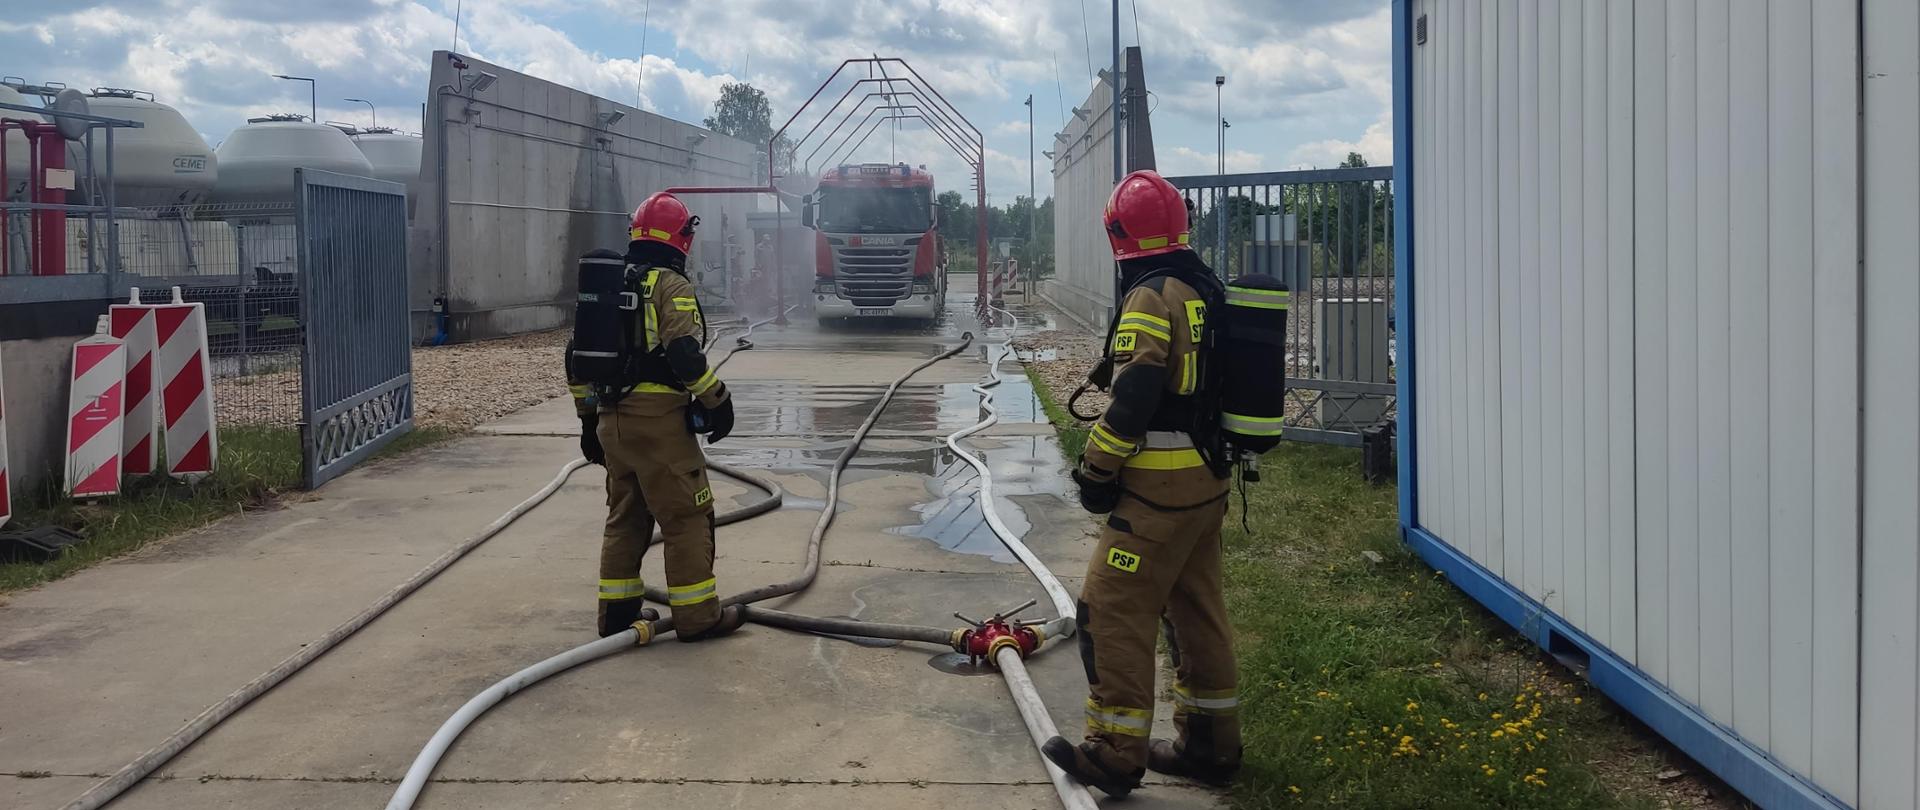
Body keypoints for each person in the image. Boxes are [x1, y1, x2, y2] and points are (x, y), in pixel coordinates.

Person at [1042, 170, 1241, 797]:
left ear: (1119, 233)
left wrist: (1097, 469)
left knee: (1111, 609)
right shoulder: (1203, 286)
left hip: (1158, 492)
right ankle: (1211, 745)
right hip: (1207, 483)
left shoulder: (1151, 296)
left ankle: (1113, 752)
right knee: (1196, 611)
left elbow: (1135, 396)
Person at [569, 191, 743, 642]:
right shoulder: (670, 285)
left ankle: (617, 618)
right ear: (681, 237)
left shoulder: (609, 285)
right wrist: (717, 400)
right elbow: (684, 354)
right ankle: (699, 618)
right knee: (687, 516)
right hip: (659, 425)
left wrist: (588, 423)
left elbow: (575, 358)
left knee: (625, 519)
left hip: (611, 422)